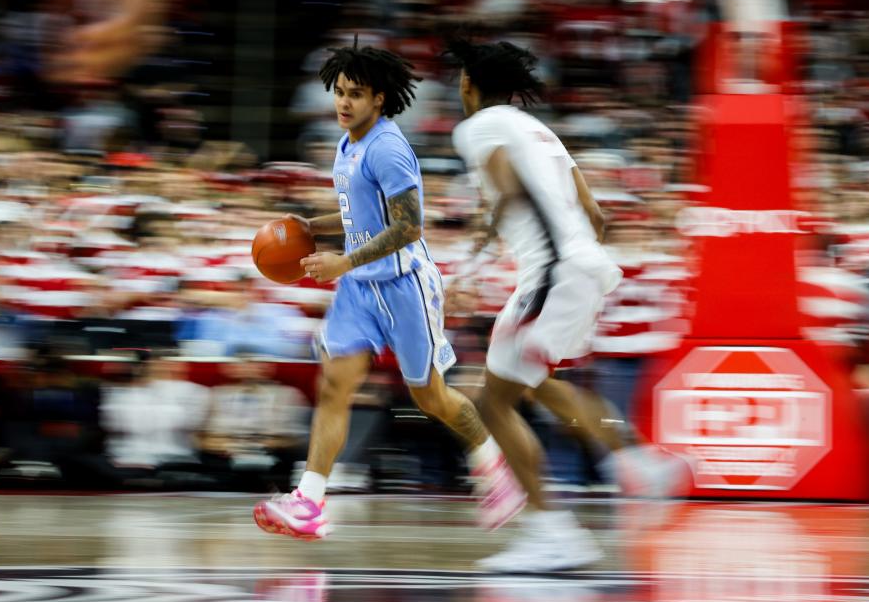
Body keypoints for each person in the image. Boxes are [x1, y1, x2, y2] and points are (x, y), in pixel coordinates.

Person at [253, 41, 524, 541]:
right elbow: (361, 213)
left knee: (431, 397)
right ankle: (310, 500)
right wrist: (312, 223)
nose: (343, 102)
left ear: (379, 98)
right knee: (334, 385)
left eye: (355, 94)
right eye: (338, 92)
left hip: (405, 286)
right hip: (359, 288)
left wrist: (342, 259)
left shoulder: (387, 147)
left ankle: (496, 470)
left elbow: (409, 226)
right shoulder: (347, 143)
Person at [446, 38, 686, 572]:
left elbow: (506, 185)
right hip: (584, 270)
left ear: (467, 83)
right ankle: (640, 464)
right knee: (530, 383)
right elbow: (595, 213)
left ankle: (554, 533)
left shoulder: (478, 128)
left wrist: (471, 265)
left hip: (552, 274)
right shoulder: (542, 131)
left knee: (492, 403)